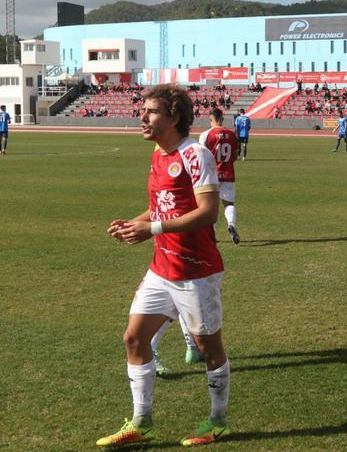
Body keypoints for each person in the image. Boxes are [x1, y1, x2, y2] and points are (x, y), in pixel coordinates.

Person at [97, 85, 231, 448]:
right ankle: (142, 422)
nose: (143, 116)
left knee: (208, 349)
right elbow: (162, 208)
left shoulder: (195, 154)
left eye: (152, 111)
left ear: (173, 117)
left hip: (196, 271)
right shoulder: (157, 155)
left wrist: (151, 228)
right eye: (143, 110)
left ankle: (218, 421)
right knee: (134, 338)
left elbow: (207, 213)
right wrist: (134, 223)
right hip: (162, 267)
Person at [200, 108, 241, 245]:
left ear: (210, 119)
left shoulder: (205, 135)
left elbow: (201, 157)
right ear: (222, 119)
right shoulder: (231, 134)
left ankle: (212, 237)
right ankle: (231, 224)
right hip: (228, 173)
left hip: (211, 175)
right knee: (228, 204)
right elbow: (235, 155)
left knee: (210, 206)